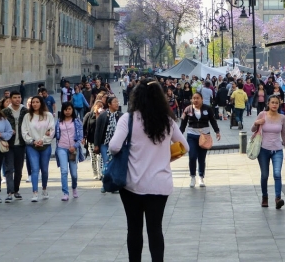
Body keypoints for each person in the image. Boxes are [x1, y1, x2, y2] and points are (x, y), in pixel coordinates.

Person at [109, 79, 189, 262]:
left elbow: (114, 146)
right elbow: (185, 146)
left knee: (134, 229)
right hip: (160, 184)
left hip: (131, 184)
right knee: (155, 230)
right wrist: (165, 157)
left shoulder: (128, 119)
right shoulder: (167, 121)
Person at [252, 95, 285, 208]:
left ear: (279, 104)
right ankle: (265, 197)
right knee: (264, 175)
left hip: (277, 149)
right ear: (268, 104)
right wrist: (256, 123)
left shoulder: (282, 117)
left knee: (277, 174)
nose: (274, 105)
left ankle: (278, 198)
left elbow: (284, 133)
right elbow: (252, 130)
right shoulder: (262, 114)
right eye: (272, 102)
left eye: (276, 103)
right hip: (263, 149)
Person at [179, 92, 221, 188]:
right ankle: (192, 177)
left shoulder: (208, 109)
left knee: (202, 158)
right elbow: (183, 124)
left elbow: (213, 121)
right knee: (192, 156)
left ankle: (201, 177)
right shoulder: (188, 109)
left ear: (202, 99)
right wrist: (179, 136)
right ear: (191, 100)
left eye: (198, 98)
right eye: (194, 98)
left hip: (205, 136)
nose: (196, 100)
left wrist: (217, 131)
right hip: (192, 135)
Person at [21, 96, 55, 202]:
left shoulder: (48, 115)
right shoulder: (27, 116)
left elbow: (51, 130)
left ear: (41, 103)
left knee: (44, 170)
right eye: (33, 102)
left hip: (45, 146)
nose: (35, 104)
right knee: (35, 169)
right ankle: (35, 192)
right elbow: (24, 131)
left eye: (37, 102)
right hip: (32, 146)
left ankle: (44, 189)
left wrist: (43, 140)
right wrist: (33, 141)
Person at [55, 102, 84, 201]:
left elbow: (80, 136)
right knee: (64, 171)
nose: (67, 111)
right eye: (65, 109)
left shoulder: (77, 121)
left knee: (74, 173)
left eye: (69, 109)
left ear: (72, 110)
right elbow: (55, 134)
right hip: (61, 148)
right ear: (62, 110)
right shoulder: (59, 122)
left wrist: (75, 146)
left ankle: (74, 187)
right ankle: (65, 193)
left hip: (73, 149)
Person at [2, 91, 28, 201]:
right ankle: (9, 192)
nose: (17, 99)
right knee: (8, 169)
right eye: (15, 97)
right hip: (9, 144)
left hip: (21, 144)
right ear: (10, 99)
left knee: (19, 169)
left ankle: (16, 190)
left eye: (19, 97)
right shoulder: (5, 112)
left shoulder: (25, 111)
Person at [94, 96, 123, 193]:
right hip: (105, 144)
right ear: (109, 104)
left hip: (117, 144)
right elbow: (97, 131)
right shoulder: (103, 116)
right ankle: (105, 184)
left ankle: (113, 185)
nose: (117, 104)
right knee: (106, 163)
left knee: (114, 165)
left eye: (117, 102)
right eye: (115, 102)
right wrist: (96, 145)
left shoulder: (121, 116)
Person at [83, 101, 104, 180]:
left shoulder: (104, 116)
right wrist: (83, 137)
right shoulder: (89, 115)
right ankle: (95, 173)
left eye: (101, 106)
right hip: (91, 140)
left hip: (100, 141)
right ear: (94, 107)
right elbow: (84, 126)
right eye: (98, 106)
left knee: (100, 158)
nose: (99, 108)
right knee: (93, 158)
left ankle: (100, 173)